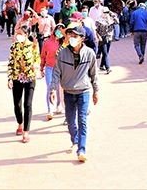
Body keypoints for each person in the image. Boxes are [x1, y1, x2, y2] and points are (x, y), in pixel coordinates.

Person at [51, 22, 99, 163]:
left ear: (82, 38)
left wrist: (96, 91)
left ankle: (81, 149)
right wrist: (53, 88)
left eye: (75, 35)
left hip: (83, 91)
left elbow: (94, 74)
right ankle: (75, 139)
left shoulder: (89, 53)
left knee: (82, 120)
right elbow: (56, 72)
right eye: (70, 34)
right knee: (71, 121)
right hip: (68, 91)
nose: (71, 37)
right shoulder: (62, 53)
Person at [7, 29, 40, 143]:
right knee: (17, 103)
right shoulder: (14, 47)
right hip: (17, 78)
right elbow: (11, 62)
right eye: (17, 34)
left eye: (21, 34)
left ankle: (26, 131)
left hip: (30, 77)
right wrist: (10, 78)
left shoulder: (33, 45)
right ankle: (20, 123)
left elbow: (37, 59)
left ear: (26, 35)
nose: (18, 36)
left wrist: (35, 66)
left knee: (28, 104)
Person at [40, 24, 64, 120]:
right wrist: (41, 68)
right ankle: (50, 109)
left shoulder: (64, 43)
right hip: (49, 68)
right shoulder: (47, 42)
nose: (59, 33)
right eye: (58, 30)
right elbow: (43, 56)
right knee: (50, 88)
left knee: (59, 88)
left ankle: (59, 105)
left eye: (62, 31)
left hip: (61, 69)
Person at [95, 6, 115, 74]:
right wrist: (98, 37)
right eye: (104, 12)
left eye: (107, 12)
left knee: (106, 52)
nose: (106, 14)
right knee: (105, 53)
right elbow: (96, 30)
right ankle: (108, 67)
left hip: (109, 37)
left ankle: (101, 65)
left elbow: (117, 21)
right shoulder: (99, 20)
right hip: (102, 38)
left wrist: (111, 14)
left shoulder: (110, 19)